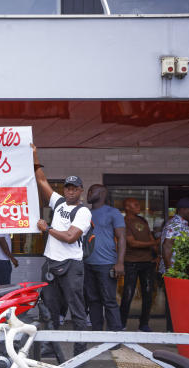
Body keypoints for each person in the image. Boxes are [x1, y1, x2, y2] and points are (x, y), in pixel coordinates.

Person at [32, 143, 91, 356]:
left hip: (71, 267)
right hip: (51, 264)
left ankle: (80, 354)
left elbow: (70, 237)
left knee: (77, 312)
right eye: (68, 187)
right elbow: (41, 181)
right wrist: (35, 156)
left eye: (75, 188)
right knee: (49, 309)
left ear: (80, 191)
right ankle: (50, 349)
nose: (71, 191)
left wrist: (47, 228)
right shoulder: (58, 203)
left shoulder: (83, 212)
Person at [83, 184, 125, 331]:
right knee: (93, 301)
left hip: (106, 264)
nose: (88, 193)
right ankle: (97, 333)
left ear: (102, 193)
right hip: (87, 264)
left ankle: (115, 337)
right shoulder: (85, 213)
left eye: (91, 190)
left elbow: (122, 238)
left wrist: (119, 262)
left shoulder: (113, 212)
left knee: (109, 301)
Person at [159, 197, 189, 332]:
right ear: (183, 210)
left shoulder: (183, 223)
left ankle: (177, 331)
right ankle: (173, 333)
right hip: (174, 272)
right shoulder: (175, 224)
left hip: (179, 272)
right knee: (174, 305)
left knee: (178, 304)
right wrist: (171, 271)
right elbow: (167, 247)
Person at [120, 198, 159, 332]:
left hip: (147, 262)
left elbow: (150, 237)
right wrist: (154, 243)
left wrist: (157, 254)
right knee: (128, 293)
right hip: (131, 262)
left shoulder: (143, 220)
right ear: (127, 206)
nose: (139, 206)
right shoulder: (124, 222)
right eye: (135, 204)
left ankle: (144, 324)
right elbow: (132, 243)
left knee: (148, 293)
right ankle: (122, 323)